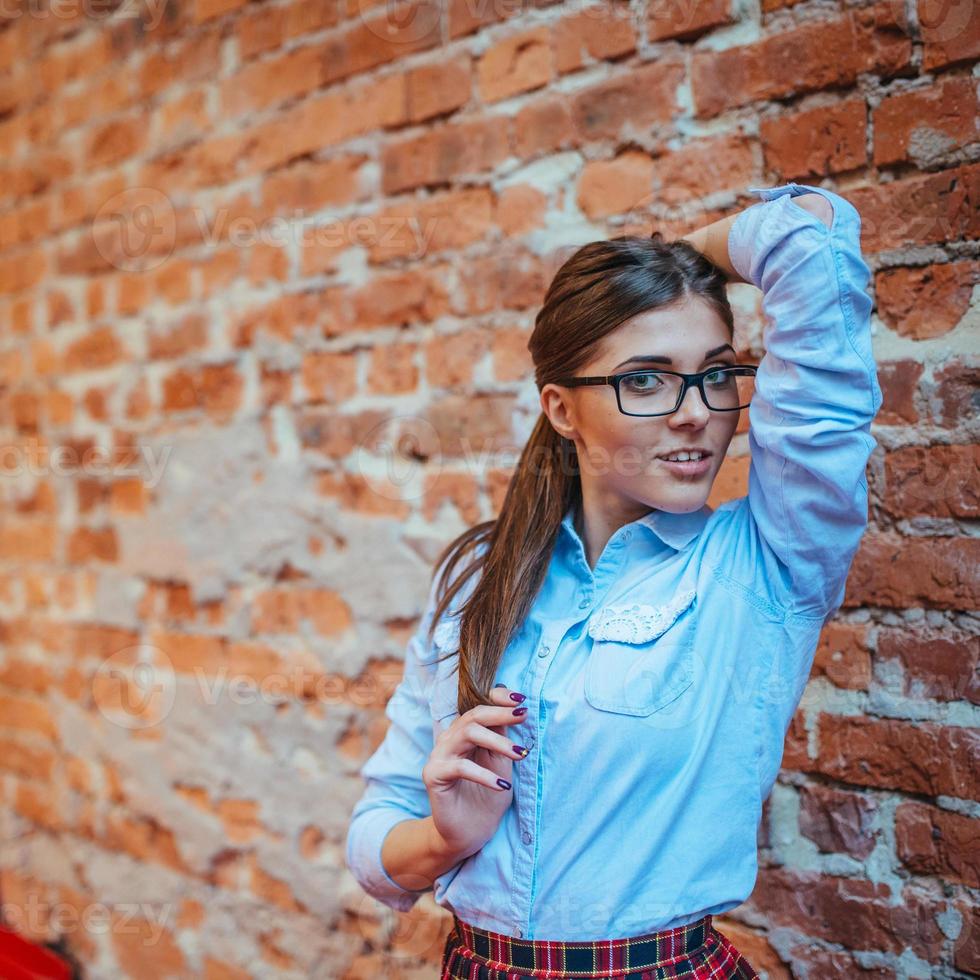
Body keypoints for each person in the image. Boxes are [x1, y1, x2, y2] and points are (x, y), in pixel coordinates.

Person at [345, 181, 883, 979]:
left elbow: (811, 233)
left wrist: (678, 261)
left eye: (716, 372)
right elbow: (374, 830)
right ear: (562, 410)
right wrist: (445, 838)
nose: (697, 411)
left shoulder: (769, 563)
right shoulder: (476, 579)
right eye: (645, 379)